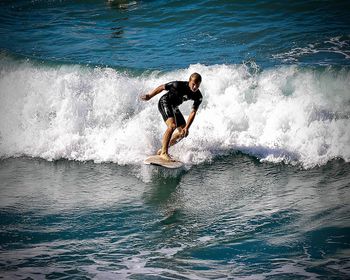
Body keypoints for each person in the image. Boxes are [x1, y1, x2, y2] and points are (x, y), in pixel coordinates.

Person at [141, 73, 203, 161]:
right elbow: (162, 87)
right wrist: (150, 96)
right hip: (165, 102)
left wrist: (187, 127)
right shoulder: (177, 85)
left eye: (197, 85)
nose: (195, 87)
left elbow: (193, 112)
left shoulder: (198, 96)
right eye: (193, 84)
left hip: (174, 107)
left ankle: (162, 149)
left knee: (183, 133)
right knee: (172, 126)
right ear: (189, 81)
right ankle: (164, 153)